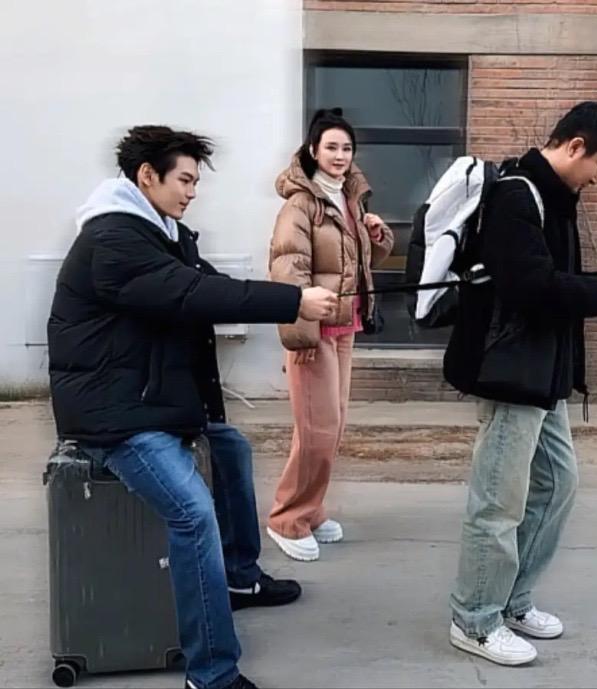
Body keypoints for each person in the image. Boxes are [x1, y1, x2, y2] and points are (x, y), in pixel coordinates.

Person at [47, 125, 339, 689]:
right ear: (146, 176)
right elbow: (190, 294)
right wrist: (294, 300)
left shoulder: (162, 233)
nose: (192, 191)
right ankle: (211, 673)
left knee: (230, 450)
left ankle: (238, 578)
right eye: (184, 179)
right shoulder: (114, 239)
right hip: (116, 415)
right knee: (192, 513)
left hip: (151, 401)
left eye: (195, 181)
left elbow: (210, 287)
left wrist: (294, 300)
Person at [443, 102, 597, 666]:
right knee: (498, 503)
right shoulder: (517, 195)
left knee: (557, 485)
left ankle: (510, 601)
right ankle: (474, 619)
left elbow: (546, 278)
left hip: (541, 373)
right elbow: (528, 288)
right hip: (512, 373)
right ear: (575, 146)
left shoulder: (552, 198)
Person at [266, 108, 393, 562]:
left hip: (344, 326)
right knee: (317, 429)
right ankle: (287, 518)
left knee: (330, 426)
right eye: (331, 147)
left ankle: (311, 509)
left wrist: (376, 236)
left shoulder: (349, 199)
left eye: (346, 148)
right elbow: (288, 269)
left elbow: (355, 266)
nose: (340, 156)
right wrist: (300, 335)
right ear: (313, 151)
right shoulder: (301, 205)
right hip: (315, 330)